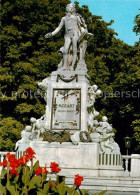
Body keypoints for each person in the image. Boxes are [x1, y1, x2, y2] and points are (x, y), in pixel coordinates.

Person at [45, 3, 92, 70]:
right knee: (65, 50)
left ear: (73, 9)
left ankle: (72, 67)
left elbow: (80, 26)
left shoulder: (77, 17)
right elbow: (58, 28)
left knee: (75, 50)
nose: (70, 8)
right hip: (67, 35)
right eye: (69, 7)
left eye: (71, 7)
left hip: (74, 34)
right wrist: (51, 34)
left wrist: (84, 31)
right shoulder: (64, 18)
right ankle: (64, 66)